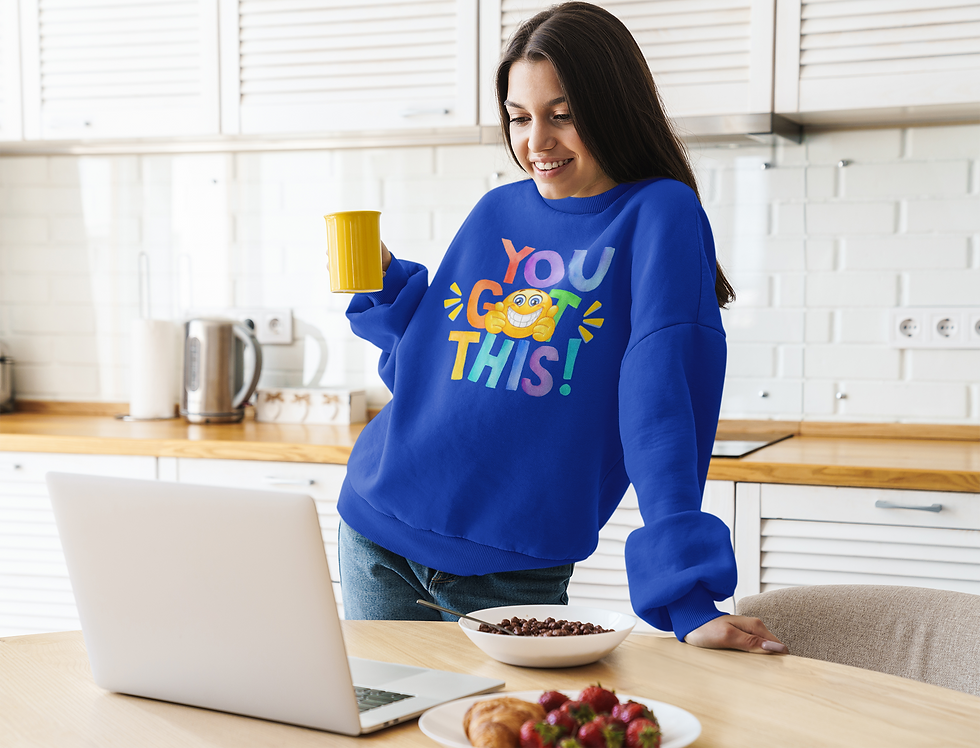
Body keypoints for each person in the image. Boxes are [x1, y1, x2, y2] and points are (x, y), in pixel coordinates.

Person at [336, 1, 785, 654]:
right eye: (520, 118)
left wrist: (689, 599)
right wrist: (385, 285)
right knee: (390, 707)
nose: (536, 142)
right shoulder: (495, 210)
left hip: (510, 564)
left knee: (505, 712)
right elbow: (429, 369)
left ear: (612, 108)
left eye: (563, 115)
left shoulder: (658, 213)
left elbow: (661, 400)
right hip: (375, 524)